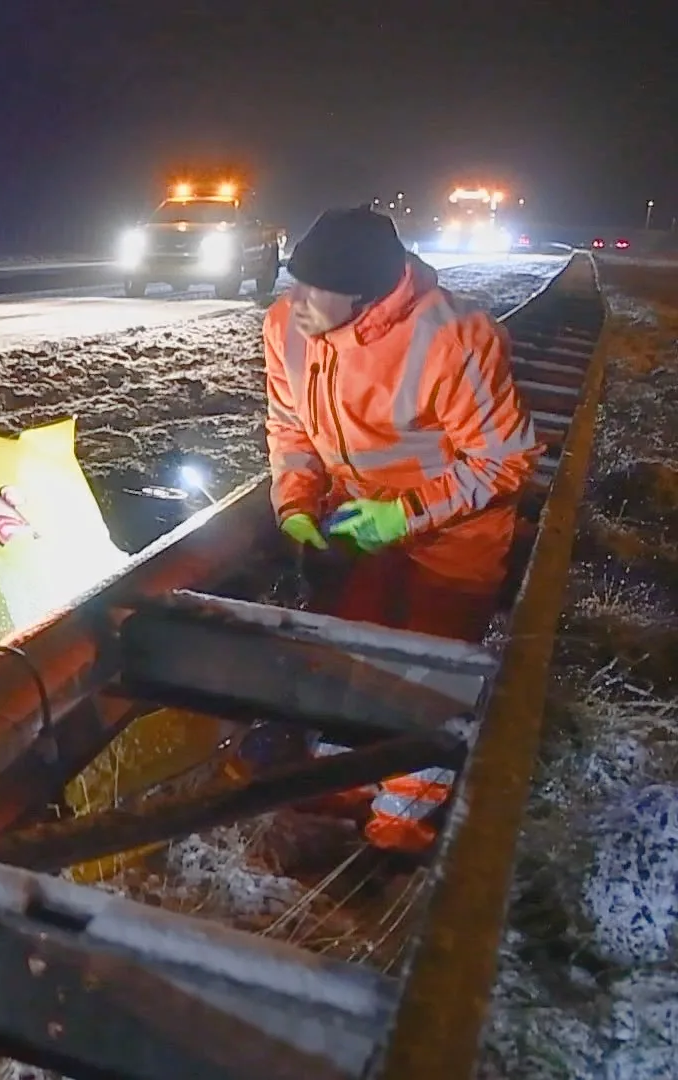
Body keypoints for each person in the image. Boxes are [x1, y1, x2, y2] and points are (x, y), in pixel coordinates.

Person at [238, 205, 542, 852]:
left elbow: (504, 461)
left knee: (427, 674)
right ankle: (344, 784)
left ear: (367, 293)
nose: (298, 301)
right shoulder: (285, 325)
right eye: (295, 281)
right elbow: (290, 427)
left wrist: (404, 516)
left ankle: (401, 825)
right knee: (355, 655)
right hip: (359, 520)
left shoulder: (452, 338)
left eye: (318, 287)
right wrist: (293, 503)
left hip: (455, 534)